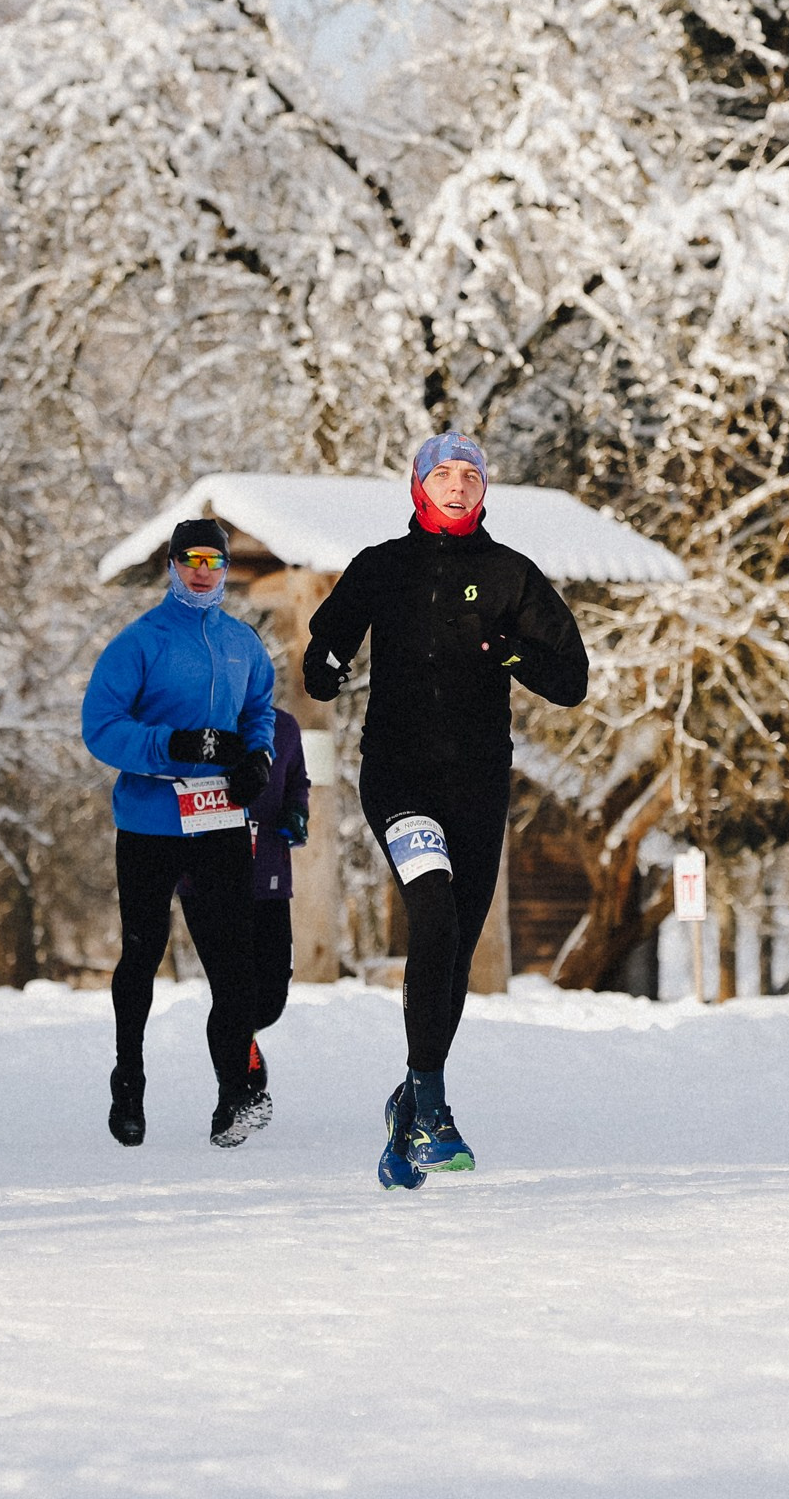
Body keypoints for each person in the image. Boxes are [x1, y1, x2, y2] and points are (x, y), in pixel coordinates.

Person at [304, 434, 587, 1188]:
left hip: (477, 785)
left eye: (470, 475)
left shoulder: (509, 576)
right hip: (398, 780)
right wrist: (326, 668)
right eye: (444, 474)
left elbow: (571, 678)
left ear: (484, 488)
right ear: (418, 486)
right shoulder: (381, 568)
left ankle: (408, 1100)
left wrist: (511, 653)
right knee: (431, 912)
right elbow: (324, 645)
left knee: (453, 946)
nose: (457, 486)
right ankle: (432, 1108)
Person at [81, 518, 278, 1149]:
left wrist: (258, 760)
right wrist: (171, 745)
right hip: (150, 822)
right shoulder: (140, 642)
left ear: (224, 569)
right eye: (189, 559)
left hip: (219, 819)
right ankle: (129, 1080)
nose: (202, 570)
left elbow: (258, 714)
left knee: (232, 964)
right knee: (144, 952)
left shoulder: (243, 644)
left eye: (213, 562)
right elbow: (101, 727)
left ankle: (232, 1098)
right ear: (171, 565)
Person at [177, 704, 311, 1099]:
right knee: (231, 992)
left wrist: (297, 812)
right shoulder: (197, 724)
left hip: (267, 876)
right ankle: (235, 1096)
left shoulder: (284, 727)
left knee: (270, 997)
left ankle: (243, 1040)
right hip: (206, 880)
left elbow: (298, 781)